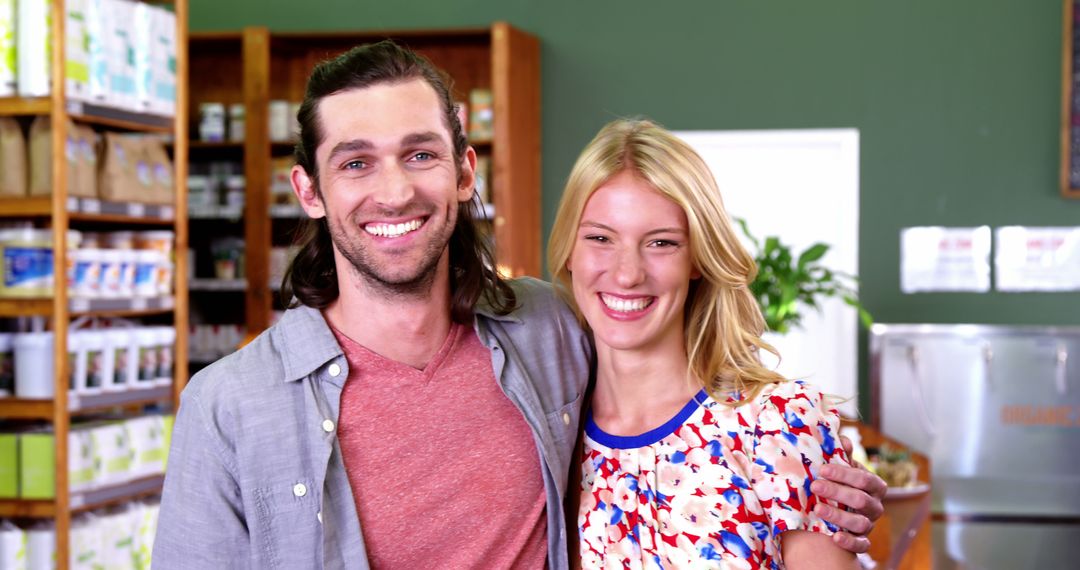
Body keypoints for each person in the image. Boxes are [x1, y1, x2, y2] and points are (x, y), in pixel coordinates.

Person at [153, 41, 883, 569]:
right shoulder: (228, 406)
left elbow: (677, 391)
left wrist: (811, 470)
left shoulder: (547, 331)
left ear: (465, 171)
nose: (396, 191)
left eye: (420, 154)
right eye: (355, 162)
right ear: (310, 191)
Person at [548, 118, 876, 568]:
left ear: (698, 259)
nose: (627, 273)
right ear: (570, 249)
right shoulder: (553, 441)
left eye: (661, 243)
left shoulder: (777, 425)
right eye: (600, 238)